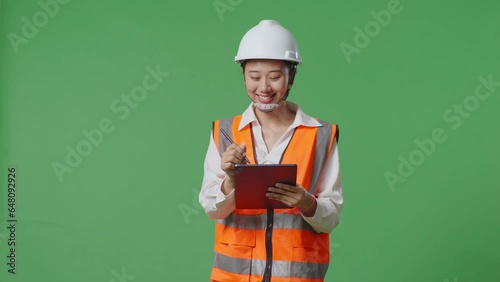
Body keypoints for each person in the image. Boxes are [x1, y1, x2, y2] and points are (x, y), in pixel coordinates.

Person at [199, 19, 343, 282]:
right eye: (254, 76)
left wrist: (306, 202)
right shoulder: (224, 132)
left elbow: (331, 217)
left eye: (275, 77)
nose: (263, 87)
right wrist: (231, 180)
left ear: (291, 76)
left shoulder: (321, 135)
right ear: (243, 74)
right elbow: (212, 209)